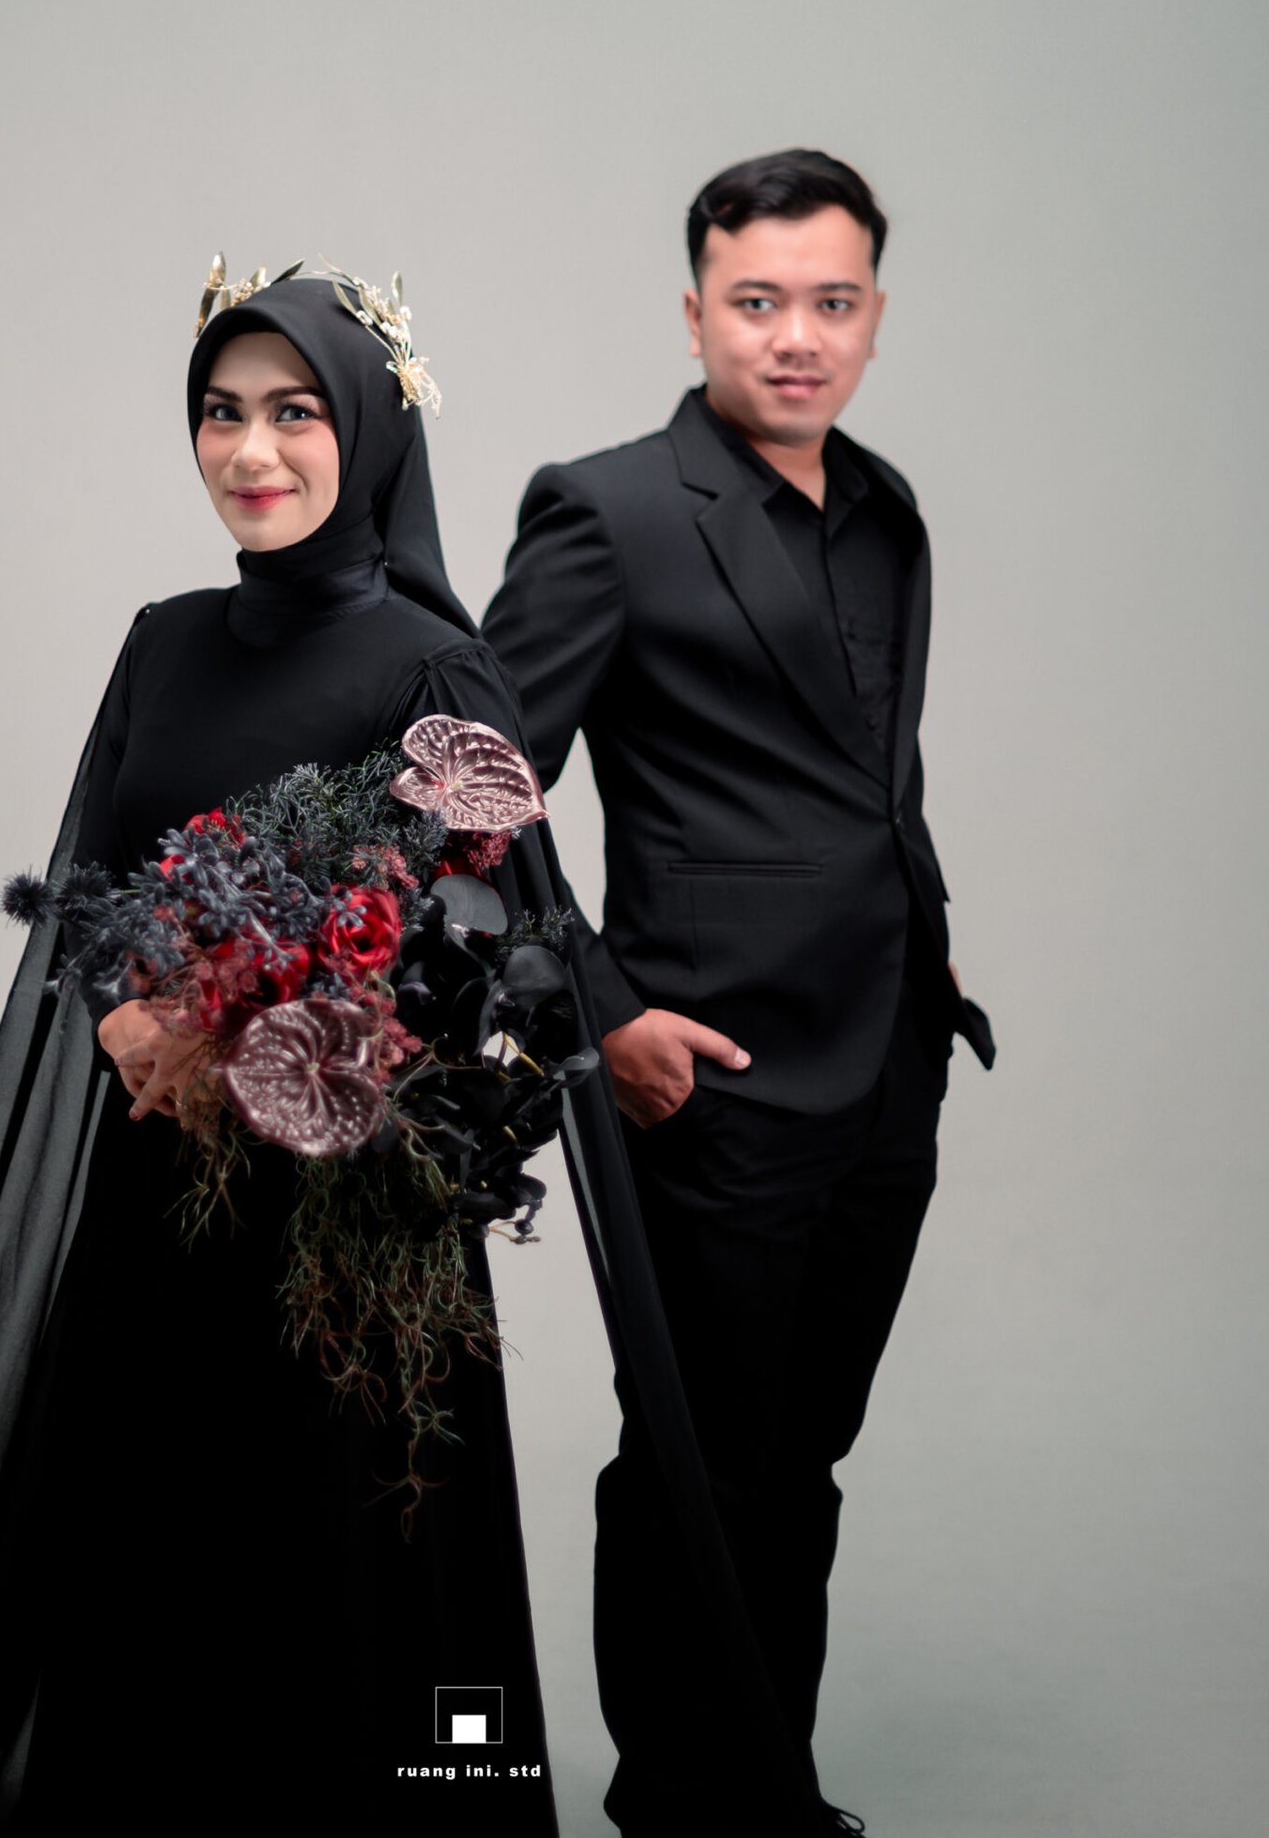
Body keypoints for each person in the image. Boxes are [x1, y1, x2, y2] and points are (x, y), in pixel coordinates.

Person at [0, 269, 578, 1833]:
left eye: (294, 411)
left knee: (340, 1563)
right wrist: (122, 1010)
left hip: (346, 1220)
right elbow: (92, 884)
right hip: (157, 1195)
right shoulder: (163, 644)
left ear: (368, 431)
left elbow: (488, 945)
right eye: (220, 413)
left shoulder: (432, 671)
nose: (252, 449)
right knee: (144, 1546)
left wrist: (273, 1032)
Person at [482, 149, 996, 1835]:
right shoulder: (609, 510)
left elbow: (867, 776)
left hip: (890, 1060)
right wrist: (599, 1008)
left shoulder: (889, 507)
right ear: (695, 309)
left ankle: (771, 1786)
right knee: (697, 1461)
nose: (797, 335)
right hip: (704, 1072)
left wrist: (925, 954)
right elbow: (471, 801)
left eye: (831, 302)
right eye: (759, 300)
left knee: (803, 1459)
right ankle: (687, 1803)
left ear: (875, 316)